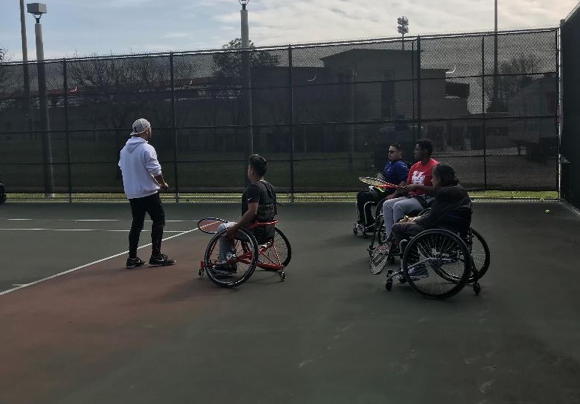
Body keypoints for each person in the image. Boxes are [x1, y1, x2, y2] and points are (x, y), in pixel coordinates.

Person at [392, 163, 472, 279]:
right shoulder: (459, 189)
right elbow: (441, 213)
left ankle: (415, 266)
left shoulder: (443, 193)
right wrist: (416, 219)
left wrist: (413, 220)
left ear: (440, 179)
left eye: (433, 177)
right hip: (456, 232)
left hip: (440, 235)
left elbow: (429, 221)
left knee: (397, 227)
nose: (431, 181)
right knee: (412, 221)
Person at [118, 118, 175, 269]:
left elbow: (122, 168)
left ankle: (132, 258)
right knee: (159, 220)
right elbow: (155, 170)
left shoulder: (124, 150)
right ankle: (156, 256)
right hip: (149, 193)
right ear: (147, 131)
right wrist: (162, 184)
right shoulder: (146, 148)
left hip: (133, 194)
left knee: (136, 224)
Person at [216, 154, 277, 272]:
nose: (247, 170)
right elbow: (274, 211)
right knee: (231, 225)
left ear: (253, 171)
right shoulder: (270, 187)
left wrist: (236, 228)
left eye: (248, 168)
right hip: (268, 231)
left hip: (254, 231)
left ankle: (226, 264)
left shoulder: (253, 188)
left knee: (223, 228)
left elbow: (252, 212)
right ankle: (229, 258)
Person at [381, 139, 439, 243]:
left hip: (426, 199)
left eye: (417, 149)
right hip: (412, 197)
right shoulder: (414, 166)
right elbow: (408, 185)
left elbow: (436, 190)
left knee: (398, 206)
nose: (414, 151)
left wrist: (417, 186)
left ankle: (399, 240)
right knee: (386, 204)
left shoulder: (435, 167)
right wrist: (402, 190)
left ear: (425, 151)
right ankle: (390, 238)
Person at [356, 143, 409, 230]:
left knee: (363, 197)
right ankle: (366, 221)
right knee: (360, 194)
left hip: (390, 193)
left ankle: (369, 223)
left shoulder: (400, 165)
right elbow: (384, 179)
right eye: (388, 152)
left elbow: (405, 182)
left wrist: (394, 195)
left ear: (399, 152)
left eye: (392, 152)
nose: (389, 154)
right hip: (384, 191)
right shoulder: (389, 163)